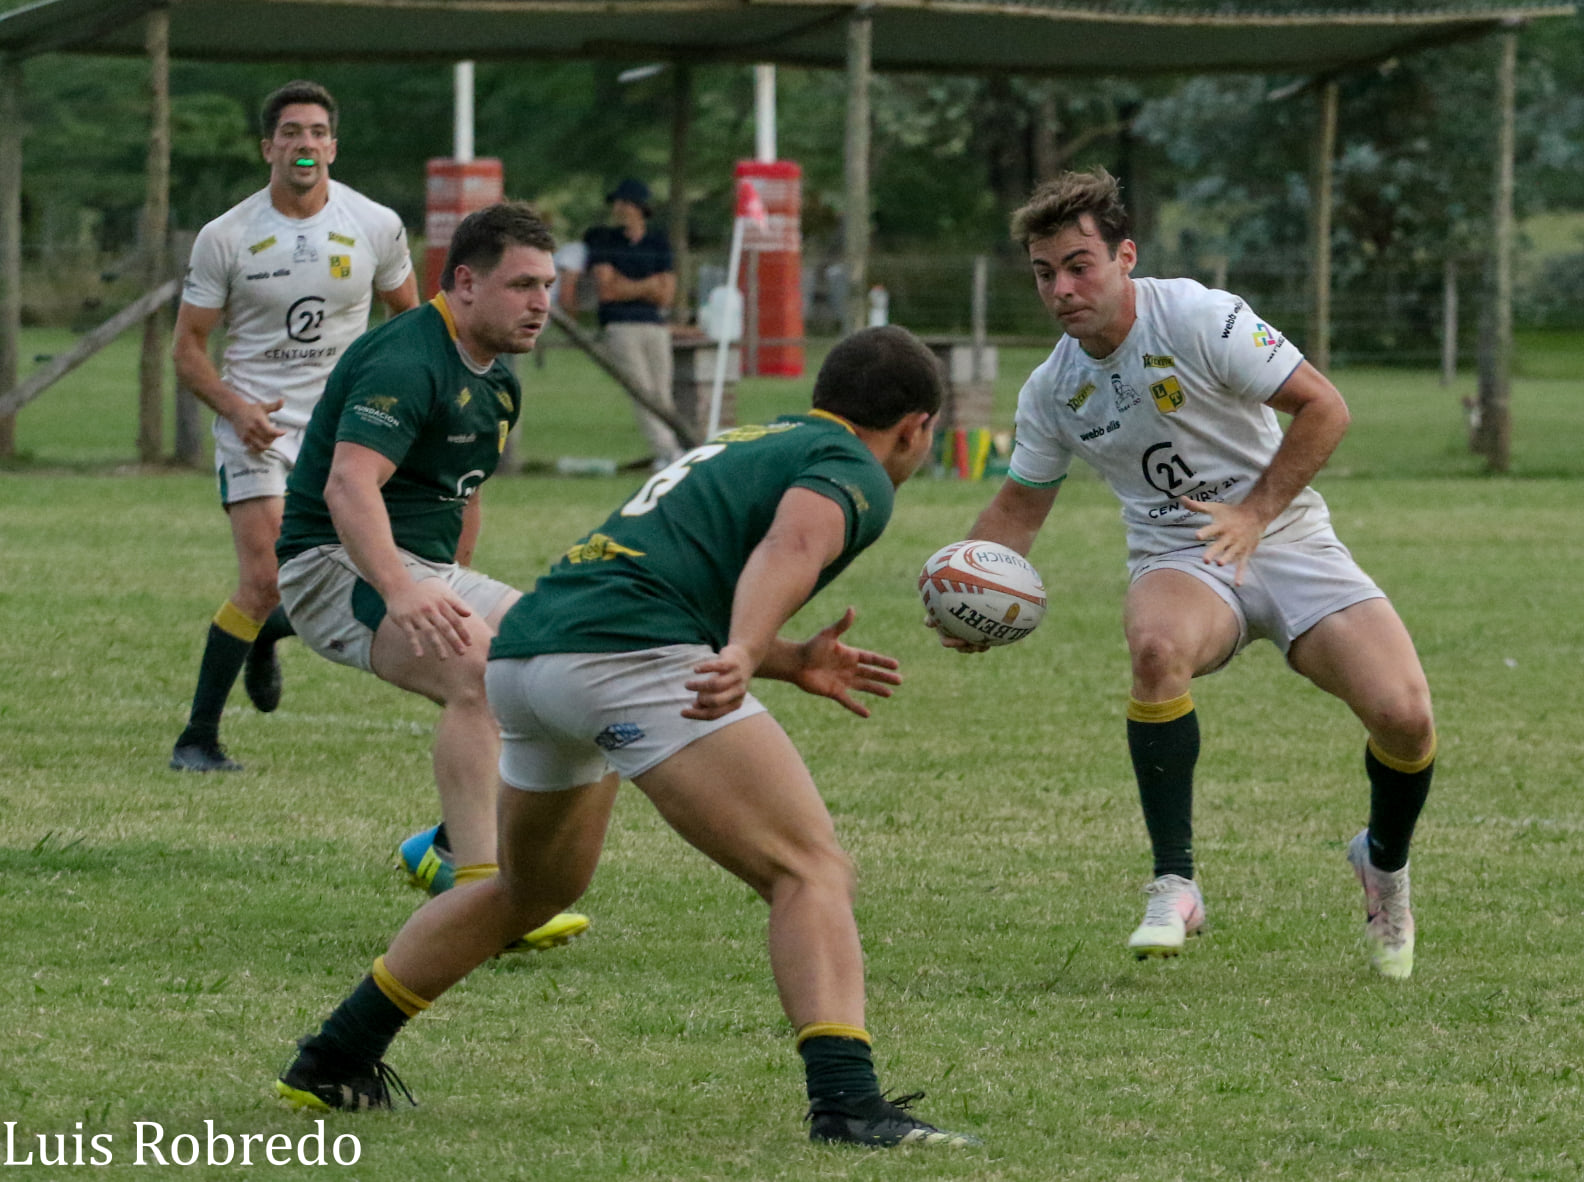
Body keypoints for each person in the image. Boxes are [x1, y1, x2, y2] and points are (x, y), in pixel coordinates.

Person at [275, 326, 980, 1148]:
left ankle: (335, 1056)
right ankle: (848, 1105)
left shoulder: (753, 438)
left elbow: (678, 562)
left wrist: (782, 658)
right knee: (809, 868)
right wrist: (748, 649)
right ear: (917, 427)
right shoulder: (854, 469)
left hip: (530, 658)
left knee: (529, 892)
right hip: (627, 661)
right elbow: (792, 544)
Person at [958, 168, 1435, 980]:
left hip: (1282, 534)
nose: (1062, 289)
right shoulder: (1053, 390)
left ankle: (1380, 861)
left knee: (1405, 717)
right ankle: (1174, 884)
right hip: (1179, 555)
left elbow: (1326, 407)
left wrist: (1252, 515)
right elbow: (1018, 509)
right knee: (1154, 650)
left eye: (1079, 265)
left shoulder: (1198, 316)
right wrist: (965, 585)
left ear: (1124, 257)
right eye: (1045, 274)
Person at [274, 201, 587, 953]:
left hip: (424, 567)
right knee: (478, 673)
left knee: (573, 663)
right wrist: (404, 591)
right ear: (465, 282)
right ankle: (483, 894)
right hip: (335, 562)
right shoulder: (407, 359)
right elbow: (349, 487)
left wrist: (452, 581)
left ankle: (446, 846)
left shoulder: (499, 384)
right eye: (521, 285)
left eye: (547, 284)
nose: (540, 302)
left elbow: (465, 490)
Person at [168, 79, 419, 773]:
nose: (303, 145)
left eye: (315, 133)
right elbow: (186, 349)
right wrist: (234, 407)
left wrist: (393, 407)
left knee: (324, 578)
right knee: (263, 575)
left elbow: (411, 325)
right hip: (257, 426)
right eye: (290, 134)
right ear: (267, 148)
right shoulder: (227, 236)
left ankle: (270, 633)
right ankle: (197, 740)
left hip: (342, 430)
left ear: (332, 145)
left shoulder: (375, 224)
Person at [585, 177, 680, 468]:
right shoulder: (605, 241)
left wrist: (630, 286)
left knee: (662, 392)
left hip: (655, 325)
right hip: (621, 326)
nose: (617, 208)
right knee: (641, 390)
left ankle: (671, 449)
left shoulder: (658, 243)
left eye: (622, 203)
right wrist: (649, 284)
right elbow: (607, 290)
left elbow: (665, 295)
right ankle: (668, 451)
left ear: (636, 207)